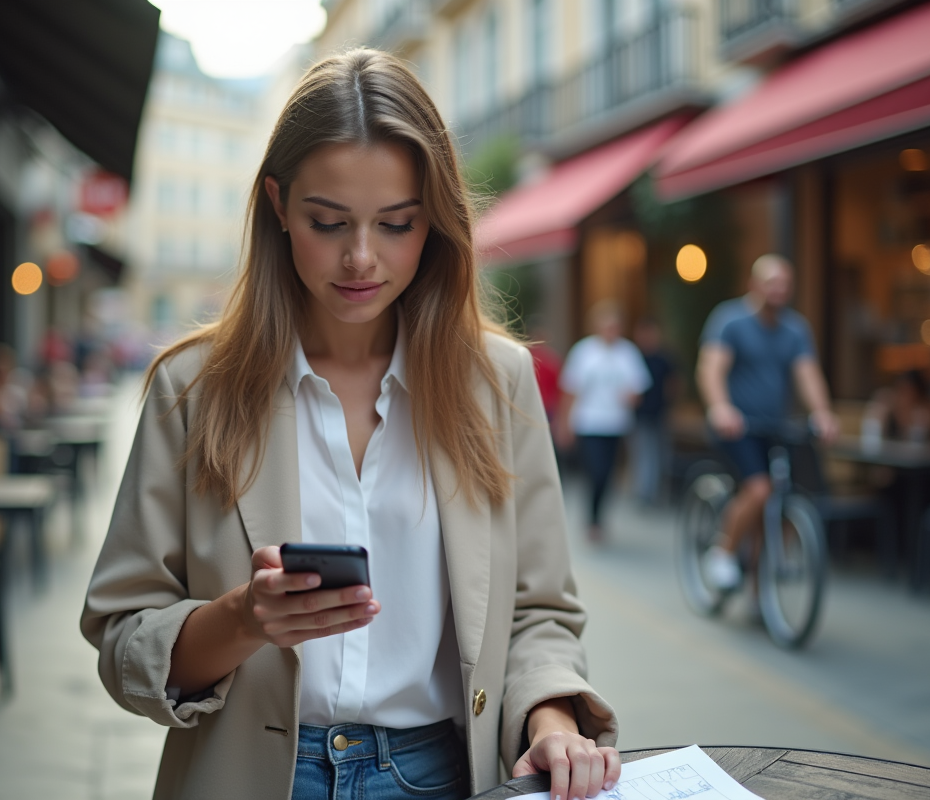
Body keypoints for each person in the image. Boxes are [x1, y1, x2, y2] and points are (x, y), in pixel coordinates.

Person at [81, 50, 619, 800]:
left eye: (396, 224)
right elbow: (121, 641)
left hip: (446, 774)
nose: (361, 258)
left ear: (434, 221)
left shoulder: (499, 383)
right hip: (249, 778)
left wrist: (553, 723)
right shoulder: (191, 388)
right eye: (327, 221)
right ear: (277, 204)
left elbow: (539, 613)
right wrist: (244, 618)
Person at [695, 254, 839, 590]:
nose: (779, 290)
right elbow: (711, 369)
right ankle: (723, 552)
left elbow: (808, 375)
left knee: (791, 496)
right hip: (738, 427)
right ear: (754, 284)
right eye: (772, 283)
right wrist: (720, 407)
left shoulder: (795, 329)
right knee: (759, 489)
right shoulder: (730, 320)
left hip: (777, 427)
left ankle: (762, 586)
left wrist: (822, 412)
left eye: (785, 284)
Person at [556, 302, 651, 542]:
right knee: (596, 471)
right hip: (589, 422)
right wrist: (564, 423)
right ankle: (592, 519)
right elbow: (571, 391)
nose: (612, 331)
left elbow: (639, 388)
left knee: (608, 475)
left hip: (616, 424)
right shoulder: (584, 352)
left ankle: (598, 517)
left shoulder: (628, 353)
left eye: (615, 326)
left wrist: (631, 396)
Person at [630, 317, 677, 506]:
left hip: (660, 413)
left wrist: (671, 404)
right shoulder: (633, 357)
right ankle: (644, 492)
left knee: (660, 454)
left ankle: (656, 491)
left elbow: (674, 382)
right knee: (642, 452)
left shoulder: (664, 357)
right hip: (639, 414)